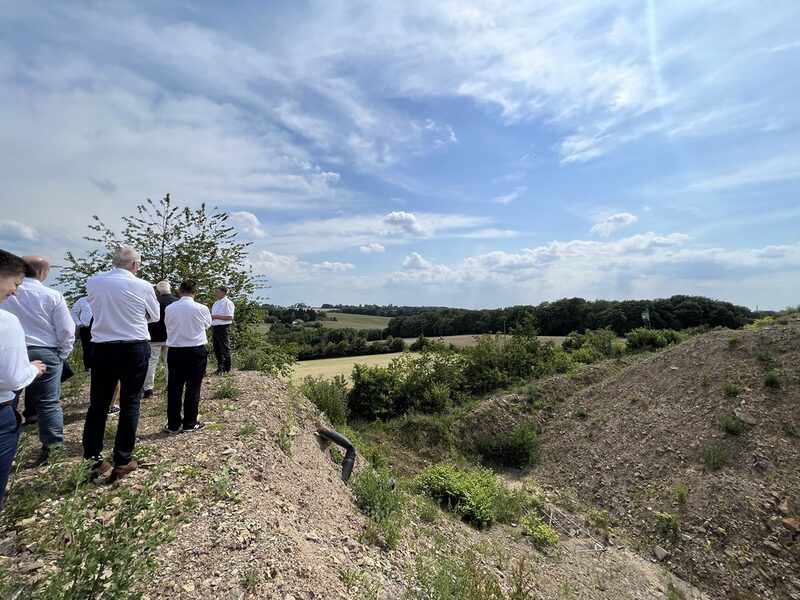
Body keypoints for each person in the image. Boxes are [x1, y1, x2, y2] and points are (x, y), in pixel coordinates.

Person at [82, 246, 159, 481]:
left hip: (103, 346)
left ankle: (92, 459)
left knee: (98, 405)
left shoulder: (93, 282)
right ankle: (123, 459)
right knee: (130, 402)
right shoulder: (143, 285)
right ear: (135, 265)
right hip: (133, 346)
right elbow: (154, 315)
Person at [0, 255, 74, 462]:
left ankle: (8, 446)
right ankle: (52, 448)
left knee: (6, 400)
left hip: (9, 349)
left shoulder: (8, 292)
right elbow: (66, 329)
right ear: (42, 273)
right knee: (49, 402)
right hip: (45, 350)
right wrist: (62, 354)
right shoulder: (52, 295)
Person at [0, 250, 45, 507]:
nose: (15, 292)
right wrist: (32, 369)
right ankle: (52, 446)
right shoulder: (6, 321)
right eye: (15, 284)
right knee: (48, 402)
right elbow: (12, 378)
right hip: (2, 407)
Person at [163, 279, 212, 433]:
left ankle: (173, 424)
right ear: (195, 293)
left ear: (180, 291)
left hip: (176, 350)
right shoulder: (201, 308)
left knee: (174, 387)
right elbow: (207, 325)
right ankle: (190, 422)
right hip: (196, 350)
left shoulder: (170, 308)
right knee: (193, 387)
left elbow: (167, 324)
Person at [143, 281, 178, 398]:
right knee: (171, 363)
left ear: (158, 290)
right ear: (170, 289)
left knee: (151, 363)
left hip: (154, 337)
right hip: (171, 337)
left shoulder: (154, 302)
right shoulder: (177, 302)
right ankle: (170, 385)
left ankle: (148, 389)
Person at [210, 285, 235, 374]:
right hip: (215, 327)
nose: (215, 293)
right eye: (215, 291)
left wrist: (216, 316)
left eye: (217, 291)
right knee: (217, 348)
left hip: (223, 327)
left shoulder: (228, 303)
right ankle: (220, 367)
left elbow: (230, 317)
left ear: (223, 292)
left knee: (224, 348)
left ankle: (227, 368)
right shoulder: (216, 303)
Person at [70, 295, 94, 372]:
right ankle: (88, 367)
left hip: (99, 327)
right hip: (86, 328)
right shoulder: (82, 300)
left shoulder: (102, 299)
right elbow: (73, 312)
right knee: (87, 347)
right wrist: (79, 323)